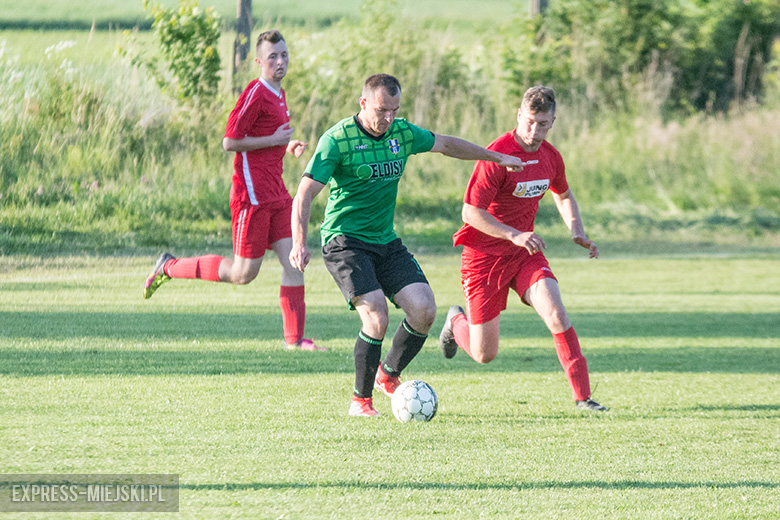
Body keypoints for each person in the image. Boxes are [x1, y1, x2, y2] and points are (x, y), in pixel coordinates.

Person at [289, 73, 527, 416]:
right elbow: (305, 194)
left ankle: (388, 375)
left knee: (424, 310)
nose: (387, 118)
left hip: (385, 240)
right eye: (382, 110)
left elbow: (445, 144)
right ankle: (361, 402)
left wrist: (494, 157)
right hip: (345, 242)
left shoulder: (401, 133)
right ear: (364, 103)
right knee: (376, 316)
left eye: (394, 110)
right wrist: (300, 243)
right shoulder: (337, 140)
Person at [143, 29, 326, 352]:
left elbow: (265, 140)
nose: (280, 61)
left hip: (277, 194)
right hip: (251, 197)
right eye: (273, 57)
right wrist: (275, 141)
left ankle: (294, 341)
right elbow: (230, 141)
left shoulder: (278, 93)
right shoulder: (255, 93)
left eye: (284, 55)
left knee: (295, 262)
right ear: (259, 61)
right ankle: (170, 267)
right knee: (243, 274)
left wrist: (285, 147)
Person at [438, 86, 607, 411]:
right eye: (529, 121)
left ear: (552, 122)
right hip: (483, 257)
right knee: (485, 354)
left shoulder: (550, 158)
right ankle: (455, 322)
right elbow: (470, 213)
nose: (534, 130)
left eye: (542, 123)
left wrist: (578, 231)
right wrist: (513, 234)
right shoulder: (497, 155)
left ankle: (583, 399)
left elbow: (563, 194)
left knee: (557, 314)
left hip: (524, 254)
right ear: (519, 116)